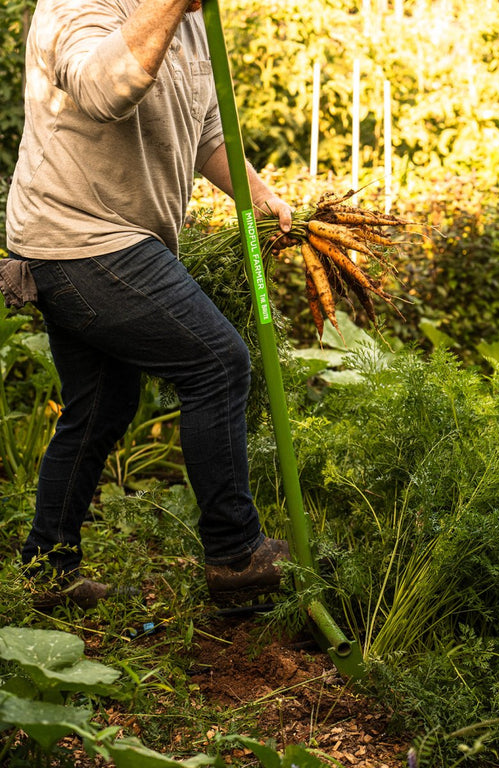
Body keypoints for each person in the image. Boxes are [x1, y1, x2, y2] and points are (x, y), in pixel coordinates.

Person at [5, 0, 292, 610]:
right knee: (217, 364)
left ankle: (48, 567)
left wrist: (258, 192)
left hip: (119, 236)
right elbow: (101, 90)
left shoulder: (191, 22)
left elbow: (207, 130)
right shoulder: (77, 4)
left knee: (103, 405)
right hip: (77, 237)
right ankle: (235, 555)